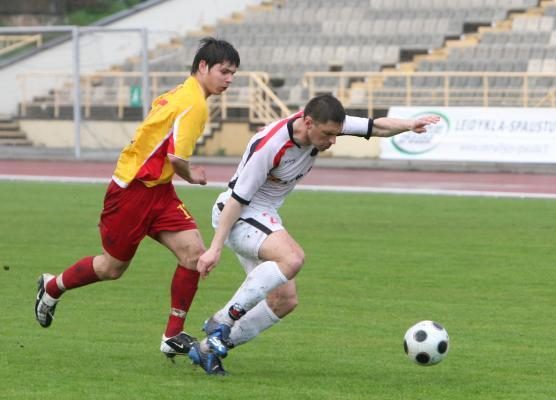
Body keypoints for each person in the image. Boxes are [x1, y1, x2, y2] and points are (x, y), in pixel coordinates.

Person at [188, 94, 440, 375]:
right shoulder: (271, 145)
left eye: (336, 134)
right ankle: (221, 321)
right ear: (308, 123)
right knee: (293, 258)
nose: (333, 141)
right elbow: (236, 199)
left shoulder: (324, 123)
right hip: (238, 214)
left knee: (283, 301)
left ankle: (208, 349)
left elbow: (376, 127)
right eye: (329, 135)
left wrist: (410, 124)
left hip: (263, 216)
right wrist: (215, 248)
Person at [34, 37, 240, 360]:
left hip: (157, 190)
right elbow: (176, 159)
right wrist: (193, 174)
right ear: (203, 67)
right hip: (131, 191)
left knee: (193, 253)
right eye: (224, 71)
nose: (229, 79)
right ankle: (52, 287)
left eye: (233, 74)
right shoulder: (194, 103)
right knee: (112, 268)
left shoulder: (181, 92)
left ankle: (171, 335)